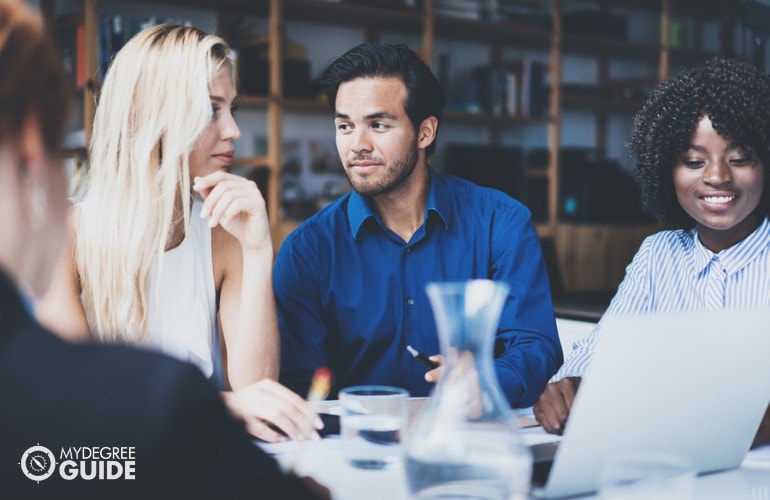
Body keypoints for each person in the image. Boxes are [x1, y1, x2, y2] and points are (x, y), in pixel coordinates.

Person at [0, 1, 327, 497]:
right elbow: (75, 407)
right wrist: (220, 408)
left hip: (199, 465)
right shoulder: (69, 233)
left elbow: (258, 390)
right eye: (212, 109)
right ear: (157, 115)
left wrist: (259, 250)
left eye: (232, 109)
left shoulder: (224, 233)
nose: (234, 131)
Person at [273, 42, 562, 406]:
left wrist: (487, 382)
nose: (357, 145)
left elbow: (536, 345)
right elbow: (301, 386)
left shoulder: (501, 223)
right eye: (345, 126)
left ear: (425, 132)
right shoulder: (307, 251)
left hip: (471, 435)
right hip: (356, 447)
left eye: (378, 124)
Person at [533, 57, 770, 448]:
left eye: (740, 158)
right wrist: (568, 388)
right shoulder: (658, 256)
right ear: (666, 170)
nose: (716, 176)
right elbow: (599, 354)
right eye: (694, 161)